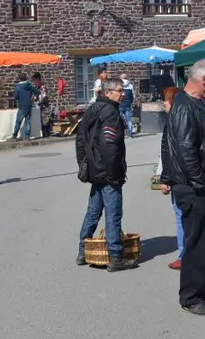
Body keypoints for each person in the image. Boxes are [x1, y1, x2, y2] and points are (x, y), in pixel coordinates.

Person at [161, 59, 205, 317]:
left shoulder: (194, 104)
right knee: (198, 244)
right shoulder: (184, 107)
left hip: (203, 184)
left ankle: (198, 290)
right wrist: (200, 182)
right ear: (202, 80)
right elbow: (185, 150)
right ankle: (189, 297)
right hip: (194, 188)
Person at [76, 78, 137, 272]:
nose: (123, 93)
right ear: (108, 92)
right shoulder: (110, 112)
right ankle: (116, 256)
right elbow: (110, 145)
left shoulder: (93, 109)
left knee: (93, 211)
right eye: (119, 90)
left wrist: (84, 164)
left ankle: (82, 251)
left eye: (123, 90)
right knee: (113, 213)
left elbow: (79, 139)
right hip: (107, 172)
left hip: (95, 170)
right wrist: (114, 174)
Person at [158, 87, 185, 270]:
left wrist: (166, 179)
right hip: (184, 175)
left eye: (165, 100)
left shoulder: (173, 121)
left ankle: (184, 255)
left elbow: (169, 153)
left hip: (179, 176)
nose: (163, 104)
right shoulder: (182, 118)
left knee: (181, 215)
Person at [12, 72, 40, 141]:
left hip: (22, 105)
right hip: (29, 104)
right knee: (28, 121)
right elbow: (37, 92)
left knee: (18, 121)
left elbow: (15, 97)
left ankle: (14, 136)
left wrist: (15, 100)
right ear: (26, 78)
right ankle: (27, 136)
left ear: (19, 79)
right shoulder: (29, 86)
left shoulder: (18, 87)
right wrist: (34, 98)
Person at [119, 73, 135, 138]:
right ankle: (130, 134)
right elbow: (133, 95)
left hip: (120, 104)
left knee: (119, 120)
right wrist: (130, 102)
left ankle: (120, 134)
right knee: (129, 120)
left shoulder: (119, 85)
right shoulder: (130, 86)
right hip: (128, 105)